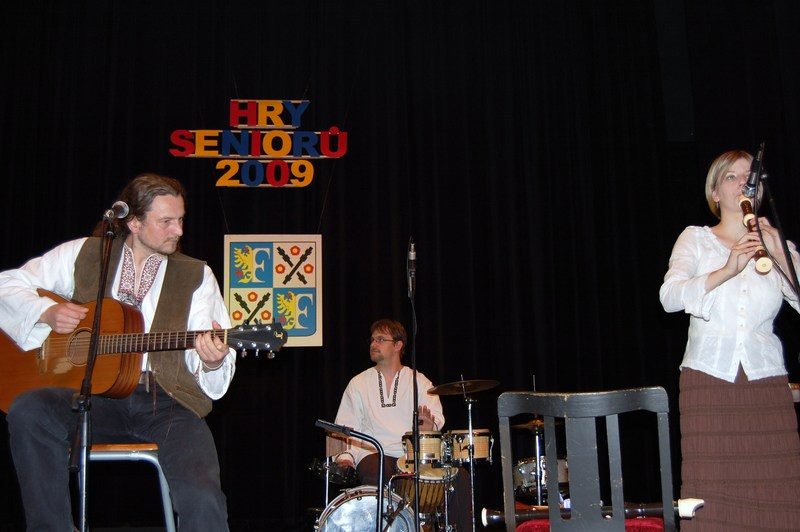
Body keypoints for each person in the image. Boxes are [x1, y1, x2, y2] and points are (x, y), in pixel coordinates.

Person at [0, 173, 235, 530]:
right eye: (166, 221)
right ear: (134, 223)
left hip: (165, 402)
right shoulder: (85, 253)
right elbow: (7, 284)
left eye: (181, 219)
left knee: (203, 497)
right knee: (28, 409)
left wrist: (212, 360)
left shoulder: (196, 275)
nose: (178, 230)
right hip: (92, 400)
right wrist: (45, 312)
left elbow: (211, 361)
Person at [659, 150, 800, 530]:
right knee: (712, 496)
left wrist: (780, 254)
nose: (743, 184)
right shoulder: (696, 239)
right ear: (715, 192)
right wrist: (727, 269)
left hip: (766, 383)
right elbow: (669, 297)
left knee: (778, 492)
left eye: (750, 177)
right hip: (709, 380)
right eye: (732, 177)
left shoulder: (776, 243)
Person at [332, 318, 472, 530]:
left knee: (460, 477)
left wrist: (429, 428)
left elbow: (436, 418)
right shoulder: (358, 383)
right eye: (372, 340)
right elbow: (344, 426)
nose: (373, 344)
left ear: (398, 345)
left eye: (380, 339)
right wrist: (345, 457)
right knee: (375, 468)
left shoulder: (419, 381)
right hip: (374, 453)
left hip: (412, 457)